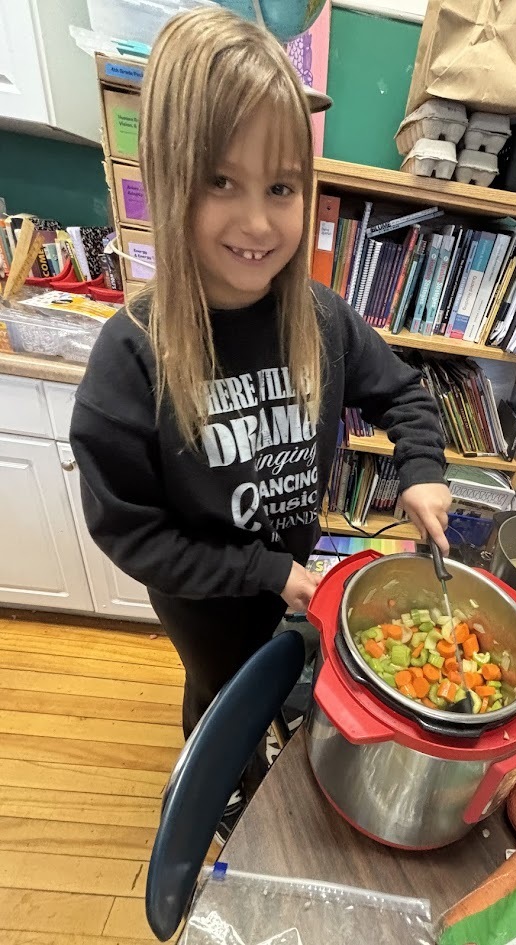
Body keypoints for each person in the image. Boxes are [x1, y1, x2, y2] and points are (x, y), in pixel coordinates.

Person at [70, 7, 451, 842]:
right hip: (202, 598)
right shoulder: (128, 361)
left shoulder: (320, 316)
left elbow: (407, 397)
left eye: (280, 187)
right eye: (220, 182)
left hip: (286, 577)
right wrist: (258, 569)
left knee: (274, 674)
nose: (256, 222)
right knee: (220, 698)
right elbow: (130, 533)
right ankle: (225, 792)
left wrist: (423, 468)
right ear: (171, 179)